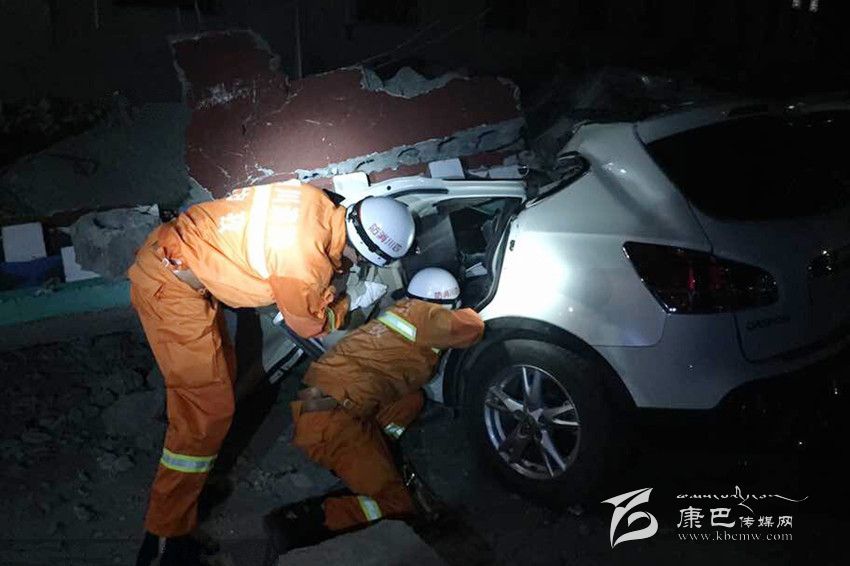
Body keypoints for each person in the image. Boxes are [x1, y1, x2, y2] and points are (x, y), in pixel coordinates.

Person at [130, 180, 415, 566]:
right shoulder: (305, 264)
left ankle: (191, 495)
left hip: (180, 258)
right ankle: (165, 536)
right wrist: (348, 303)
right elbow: (310, 324)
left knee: (218, 390)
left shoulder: (314, 202)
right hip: (169, 286)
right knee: (204, 415)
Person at [263, 267, 485, 561]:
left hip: (321, 400)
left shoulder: (401, 312)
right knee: (397, 502)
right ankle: (306, 522)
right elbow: (474, 327)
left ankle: (375, 452)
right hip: (330, 421)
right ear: (443, 306)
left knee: (412, 400)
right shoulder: (427, 317)